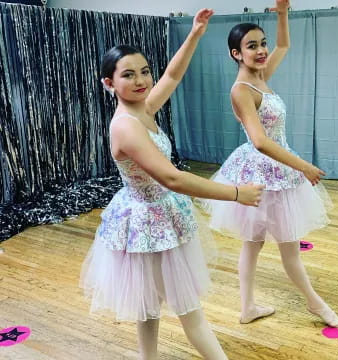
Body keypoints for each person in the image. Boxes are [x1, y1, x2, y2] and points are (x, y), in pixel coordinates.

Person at [80, 9, 264, 360]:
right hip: (145, 220)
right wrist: (237, 194)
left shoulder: (143, 109)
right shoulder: (126, 126)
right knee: (187, 309)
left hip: (162, 214)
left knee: (149, 306)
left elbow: (173, 74)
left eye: (144, 72)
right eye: (128, 75)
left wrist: (195, 33)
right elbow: (172, 177)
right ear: (109, 83)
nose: (141, 80)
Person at [204, 1, 338, 328]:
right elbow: (261, 141)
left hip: (276, 168)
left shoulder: (263, 76)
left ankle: (248, 307)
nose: (262, 50)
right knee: (276, 246)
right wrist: (303, 166)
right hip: (263, 170)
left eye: (261, 43)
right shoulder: (242, 90)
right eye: (252, 46)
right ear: (236, 54)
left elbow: (284, 44)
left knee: (259, 244)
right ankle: (314, 303)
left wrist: (282, 12)